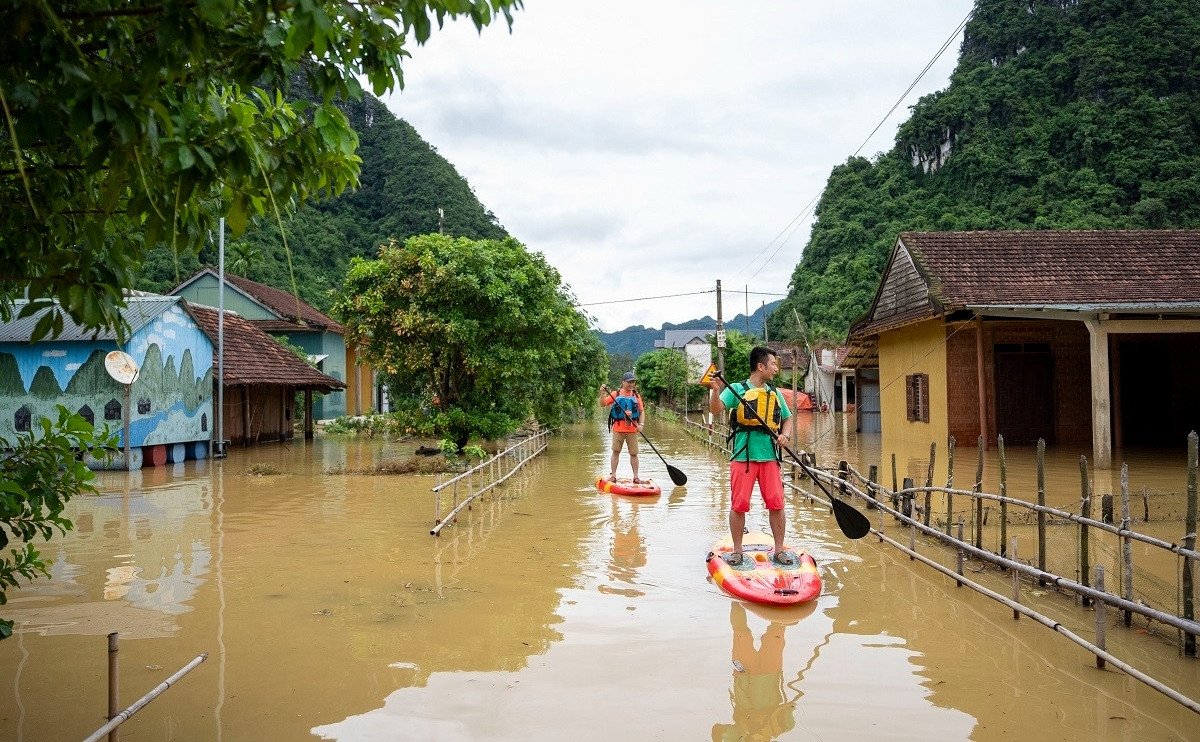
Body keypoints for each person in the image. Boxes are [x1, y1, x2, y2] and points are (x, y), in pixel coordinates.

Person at [707, 346, 794, 566]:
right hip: (742, 455)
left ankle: (779, 550)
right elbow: (716, 410)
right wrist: (716, 390)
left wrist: (785, 435)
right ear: (761, 366)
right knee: (739, 504)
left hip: (770, 457)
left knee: (777, 504)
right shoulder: (735, 389)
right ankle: (737, 551)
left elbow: (788, 418)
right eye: (773, 364)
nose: (776, 368)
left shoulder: (774, 393)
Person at [600, 371, 644, 482]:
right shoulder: (616, 394)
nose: (631, 384)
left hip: (632, 429)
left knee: (634, 454)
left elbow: (642, 412)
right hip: (618, 429)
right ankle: (613, 475)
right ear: (623, 382)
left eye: (633, 382)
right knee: (615, 452)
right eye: (628, 382)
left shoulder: (636, 396)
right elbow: (603, 404)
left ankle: (636, 477)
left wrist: (641, 424)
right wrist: (602, 394)